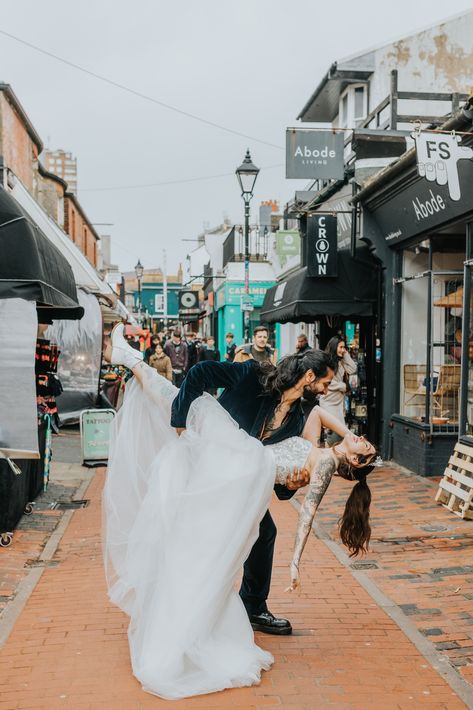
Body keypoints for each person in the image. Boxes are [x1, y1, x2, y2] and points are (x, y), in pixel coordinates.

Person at [103, 324, 376, 699]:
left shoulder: (300, 415)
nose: (327, 390)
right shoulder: (254, 375)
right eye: (325, 382)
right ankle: (131, 358)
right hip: (208, 450)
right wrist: (182, 425)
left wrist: (292, 485)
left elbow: (279, 477)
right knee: (165, 395)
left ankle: (251, 605)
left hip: (240, 482)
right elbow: (199, 374)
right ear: (309, 376)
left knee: (261, 533)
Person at [319, 336, 357, 445]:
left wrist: (345, 354)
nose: (343, 349)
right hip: (328, 401)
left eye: (344, 347)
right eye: (340, 347)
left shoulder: (341, 361)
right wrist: (343, 386)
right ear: (334, 347)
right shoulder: (326, 361)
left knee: (340, 433)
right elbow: (327, 381)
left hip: (338, 402)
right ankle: (327, 456)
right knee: (334, 432)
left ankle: (333, 456)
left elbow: (353, 369)